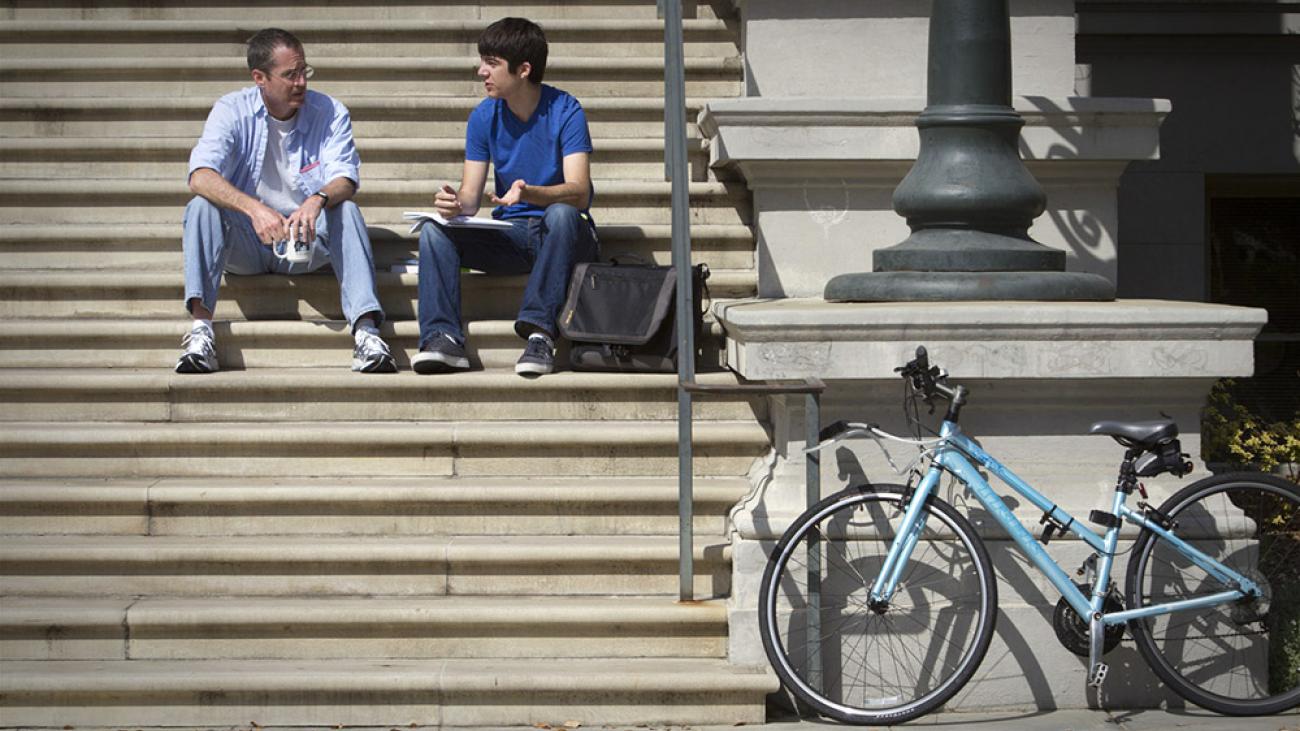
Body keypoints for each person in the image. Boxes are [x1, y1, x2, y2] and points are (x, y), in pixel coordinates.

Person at [176, 28, 395, 374]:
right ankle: (202, 331)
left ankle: (367, 333)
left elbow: (346, 178)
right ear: (259, 78)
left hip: (305, 238)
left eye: (304, 71)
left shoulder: (330, 112)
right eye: (290, 74)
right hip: (247, 240)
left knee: (347, 210)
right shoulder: (232, 110)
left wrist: (317, 199)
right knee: (201, 207)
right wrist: (254, 209)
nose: (300, 83)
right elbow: (199, 176)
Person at [413, 17, 598, 378]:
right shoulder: (483, 116)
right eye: (483, 61)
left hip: (566, 235)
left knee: (560, 214)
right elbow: (470, 197)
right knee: (435, 232)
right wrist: (454, 204)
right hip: (512, 235)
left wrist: (532, 193)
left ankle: (541, 333)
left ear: (524, 70)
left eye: (492, 63)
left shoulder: (566, 110)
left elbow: (579, 192)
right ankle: (442, 337)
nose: (481, 71)